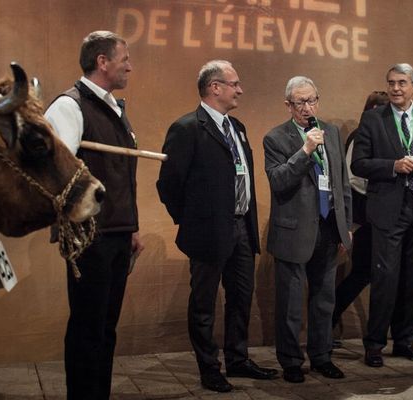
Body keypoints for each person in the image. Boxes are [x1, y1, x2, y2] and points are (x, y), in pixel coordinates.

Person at [156, 60, 277, 393]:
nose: (240, 89)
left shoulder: (236, 126)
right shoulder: (187, 128)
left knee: (241, 298)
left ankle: (238, 360)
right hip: (207, 233)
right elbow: (168, 185)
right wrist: (191, 220)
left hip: (241, 228)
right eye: (234, 83)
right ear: (215, 87)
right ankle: (209, 368)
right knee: (204, 303)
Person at [45, 30, 145, 400]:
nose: (130, 66)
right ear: (102, 62)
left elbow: (120, 178)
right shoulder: (69, 106)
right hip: (90, 238)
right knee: (88, 329)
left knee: (105, 328)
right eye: (125, 59)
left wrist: (131, 227)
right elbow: (59, 175)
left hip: (117, 235)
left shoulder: (114, 108)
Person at [351, 64, 413, 367]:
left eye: (402, 83)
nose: (395, 88)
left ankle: (404, 340)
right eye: (391, 83)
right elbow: (359, 164)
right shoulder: (372, 119)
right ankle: (375, 344)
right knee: (386, 278)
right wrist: (394, 166)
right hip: (389, 208)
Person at [263, 76, 352, 383]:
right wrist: (305, 151)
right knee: (289, 303)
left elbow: (342, 183)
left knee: (324, 299)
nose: (307, 107)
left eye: (312, 100)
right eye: (300, 102)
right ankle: (290, 361)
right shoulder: (275, 138)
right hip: (293, 231)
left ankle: (321, 356)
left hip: (328, 228)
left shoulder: (333, 133)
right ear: (289, 106)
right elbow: (278, 181)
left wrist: (346, 226)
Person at [332, 91, 413, 347]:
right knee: (363, 273)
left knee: (393, 273)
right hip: (367, 219)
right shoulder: (361, 136)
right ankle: (327, 322)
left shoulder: (393, 137)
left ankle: (400, 329)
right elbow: (354, 179)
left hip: (390, 215)